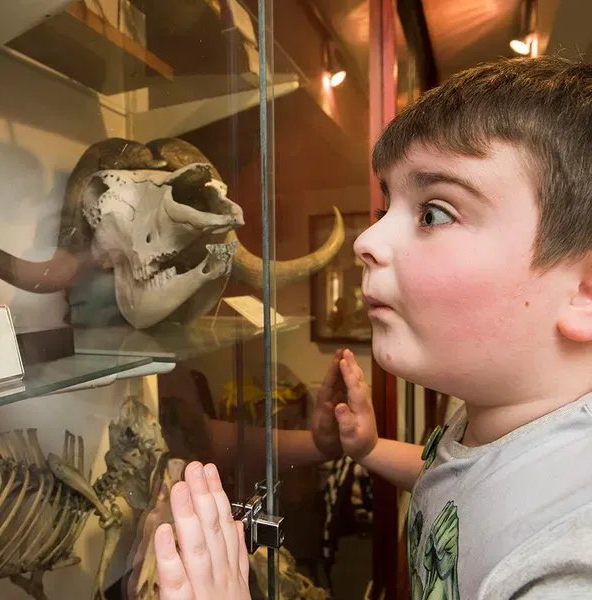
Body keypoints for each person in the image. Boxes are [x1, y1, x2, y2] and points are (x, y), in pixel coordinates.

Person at [153, 54, 592, 599]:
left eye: (434, 212)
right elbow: (457, 478)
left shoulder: (568, 564)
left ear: (584, 291)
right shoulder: (496, 416)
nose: (367, 241)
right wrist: (368, 449)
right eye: (389, 204)